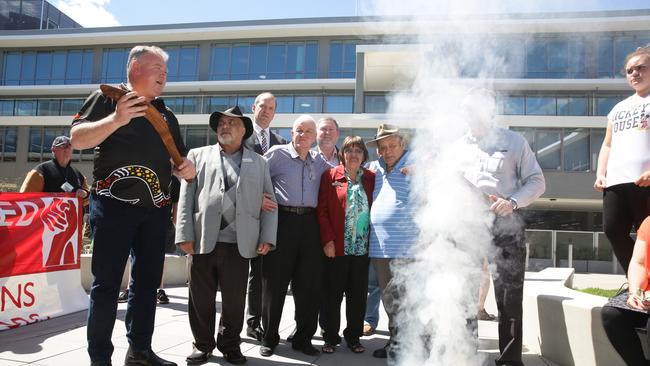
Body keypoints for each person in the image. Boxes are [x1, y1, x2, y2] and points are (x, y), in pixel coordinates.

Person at [71, 45, 196, 366]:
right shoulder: (110, 98)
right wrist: (117, 118)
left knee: (145, 286)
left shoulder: (167, 114)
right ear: (136, 68)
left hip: (155, 211)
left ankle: (139, 351)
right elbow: (78, 139)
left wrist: (186, 170)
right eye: (158, 69)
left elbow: (179, 161)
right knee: (106, 285)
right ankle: (99, 358)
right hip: (113, 205)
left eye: (166, 72)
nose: (164, 76)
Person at [175, 106, 277, 365]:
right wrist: (183, 234)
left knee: (233, 301)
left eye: (232, 123)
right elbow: (186, 197)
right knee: (200, 299)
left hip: (240, 244)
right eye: (221, 122)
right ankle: (203, 344)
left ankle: (230, 344)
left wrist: (267, 237)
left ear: (244, 130)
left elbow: (270, 203)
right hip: (201, 240)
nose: (224, 126)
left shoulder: (260, 162)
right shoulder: (197, 155)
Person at [458, 88, 545, 366]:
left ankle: (509, 360)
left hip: (506, 223)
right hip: (467, 224)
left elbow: (537, 181)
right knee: (463, 293)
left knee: (509, 296)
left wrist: (513, 202)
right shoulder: (457, 146)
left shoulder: (514, 141)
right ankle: (464, 354)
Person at [259, 115, 331, 357]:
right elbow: (254, 176)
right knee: (274, 283)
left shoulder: (319, 161)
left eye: (308, 132)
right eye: (299, 130)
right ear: (292, 133)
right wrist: (258, 197)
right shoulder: (276, 154)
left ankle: (303, 338)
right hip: (282, 221)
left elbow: (343, 176)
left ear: (314, 137)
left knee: (309, 285)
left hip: (310, 225)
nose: (303, 135)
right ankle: (269, 337)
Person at [594, 44, 650, 273]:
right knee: (613, 230)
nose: (634, 73)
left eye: (641, 68)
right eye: (629, 70)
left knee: (647, 234)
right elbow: (607, 144)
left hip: (645, 181)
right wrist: (600, 174)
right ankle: (637, 281)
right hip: (616, 182)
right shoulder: (618, 108)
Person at [317, 135, 375, 354]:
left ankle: (353, 337)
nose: (353, 154)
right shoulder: (330, 175)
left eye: (358, 151)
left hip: (361, 249)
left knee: (358, 295)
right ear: (342, 154)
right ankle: (330, 337)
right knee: (332, 295)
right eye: (349, 150)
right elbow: (322, 211)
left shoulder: (370, 178)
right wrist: (328, 240)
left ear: (364, 156)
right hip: (337, 247)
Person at [366, 124, 418, 359]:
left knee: (409, 301)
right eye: (382, 147)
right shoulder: (375, 168)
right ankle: (396, 343)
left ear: (403, 145)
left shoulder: (418, 164)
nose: (387, 151)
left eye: (392, 146)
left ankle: (410, 346)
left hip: (407, 247)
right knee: (390, 300)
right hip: (380, 247)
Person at [243, 92, 286, 342]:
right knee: (240, 273)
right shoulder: (242, 137)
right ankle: (235, 324)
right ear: (254, 107)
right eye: (263, 106)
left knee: (261, 272)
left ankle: (254, 322)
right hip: (244, 214)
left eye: (271, 107)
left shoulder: (280, 142)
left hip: (269, 217)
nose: (267, 111)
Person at [601, 215, 650, 365]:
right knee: (612, 315)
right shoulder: (648, 222)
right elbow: (638, 263)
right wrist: (635, 292)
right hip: (647, 293)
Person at [20, 135, 89, 202]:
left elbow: (88, 199)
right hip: (48, 213)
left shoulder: (78, 174)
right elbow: (24, 197)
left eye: (69, 146)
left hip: (71, 213)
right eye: (63, 146)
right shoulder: (41, 171)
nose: (67, 149)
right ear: (53, 149)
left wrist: (85, 194)